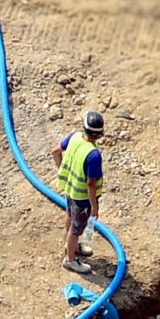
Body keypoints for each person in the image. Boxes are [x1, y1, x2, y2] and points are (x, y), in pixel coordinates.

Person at [53, 110, 106, 269]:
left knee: (71, 217)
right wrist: (94, 206)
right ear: (100, 134)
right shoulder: (93, 155)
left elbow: (55, 152)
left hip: (71, 191)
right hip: (83, 198)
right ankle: (70, 260)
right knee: (77, 229)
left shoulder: (75, 137)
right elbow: (91, 183)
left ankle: (72, 246)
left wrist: (63, 171)